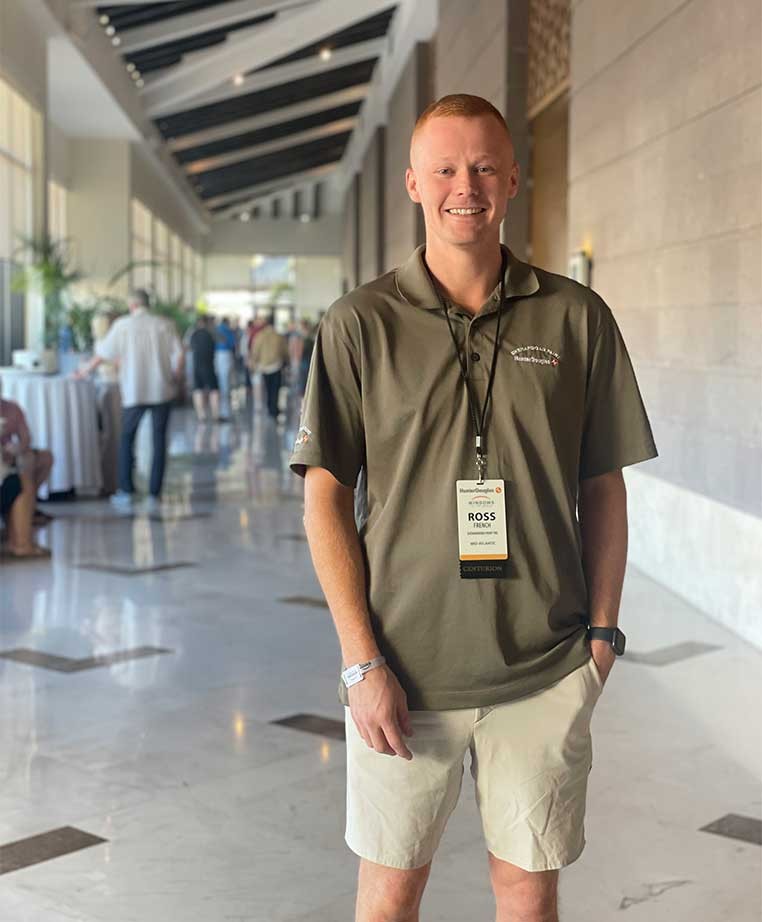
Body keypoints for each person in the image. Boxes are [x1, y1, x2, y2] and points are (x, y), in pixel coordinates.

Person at [289, 94, 658, 922]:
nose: (467, 184)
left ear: (514, 178)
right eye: (447, 168)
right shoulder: (360, 325)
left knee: (527, 898)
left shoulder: (576, 316)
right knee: (389, 899)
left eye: (486, 165)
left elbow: (603, 483)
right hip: (400, 672)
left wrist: (600, 636)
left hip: (543, 667)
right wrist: (359, 664)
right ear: (414, 184)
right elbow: (325, 498)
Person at [75, 288, 183, 514]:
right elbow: (179, 355)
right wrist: (174, 376)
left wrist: (84, 371)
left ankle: (126, 491)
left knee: (127, 439)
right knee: (159, 440)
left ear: (132, 305)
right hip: (161, 390)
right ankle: (155, 493)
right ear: (147, 304)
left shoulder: (123, 326)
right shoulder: (165, 324)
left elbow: (103, 353)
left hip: (134, 392)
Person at [0, 397, 50, 558]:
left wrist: (16, 450)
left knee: (33, 463)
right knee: (21, 482)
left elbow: (26, 439)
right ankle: (22, 544)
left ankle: (19, 528)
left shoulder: (12, 408)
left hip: (8, 459)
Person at [249, 314, 288, 420]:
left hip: (264, 367)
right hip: (276, 366)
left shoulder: (259, 336)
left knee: (267, 388)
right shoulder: (279, 336)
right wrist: (286, 362)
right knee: (275, 389)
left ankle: (269, 407)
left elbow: (255, 352)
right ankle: (274, 409)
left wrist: (253, 364)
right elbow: (285, 351)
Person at [189, 315, 219, 421]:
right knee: (214, 389)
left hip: (196, 365)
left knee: (198, 389)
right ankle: (215, 415)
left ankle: (201, 416)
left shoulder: (193, 334)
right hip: (209, 365)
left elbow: (189, 348)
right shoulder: (211, 334)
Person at [214, 315, 237, 421]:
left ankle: (222, 394)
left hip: (217, 355)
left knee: (220, 376)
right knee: (225, 378)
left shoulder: (216, 329)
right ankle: (225, 395)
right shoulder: (228, 330)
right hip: (226, 354)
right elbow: (233, 343)